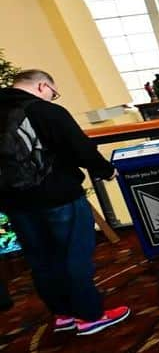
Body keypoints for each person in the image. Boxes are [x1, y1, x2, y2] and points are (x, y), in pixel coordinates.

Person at [0, 70, 131, 336]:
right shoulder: (47, 112)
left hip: (15, 201)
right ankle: (90, 315)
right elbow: (79, 148)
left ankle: (63, 314)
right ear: (41, 85)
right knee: (74, 254)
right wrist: (105, 170)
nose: (52, 97)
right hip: (57, 195)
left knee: (41, 259)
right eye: (52, 92)